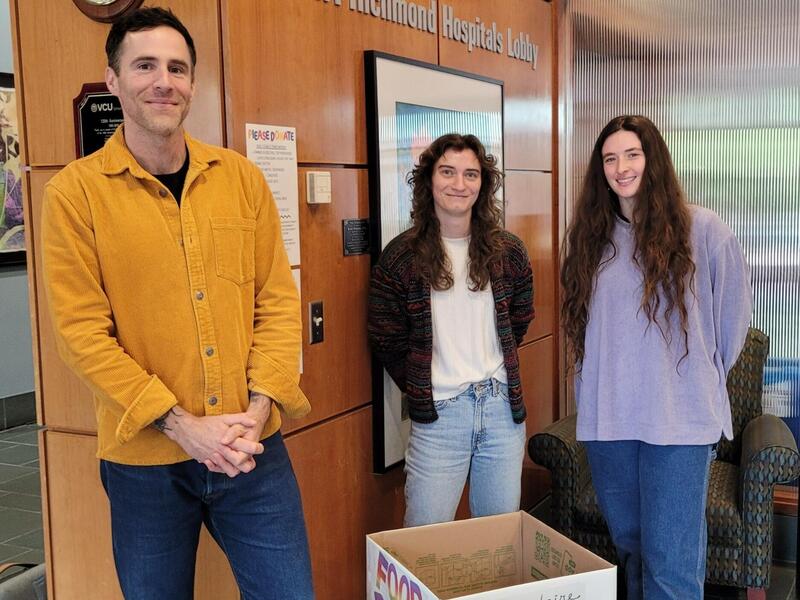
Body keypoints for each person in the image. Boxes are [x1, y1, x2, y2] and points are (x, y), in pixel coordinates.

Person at [40, 8, 314, 599]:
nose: (164, 81)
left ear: (193, 83)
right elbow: (81, 335)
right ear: (113, 81)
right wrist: (184, 426)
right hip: (145, 462)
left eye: (177, 67)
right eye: (145, 65)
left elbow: (276, 301)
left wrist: (259, 407)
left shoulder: (240, 179)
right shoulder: (74, 195)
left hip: (252, 448)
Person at [561, 115, 752, 599]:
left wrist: (691, 381)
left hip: (679, 423)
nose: (620, 167)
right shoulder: (589, 239)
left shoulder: (703, 230)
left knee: (671, 562)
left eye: (631, 154)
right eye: (610, 158)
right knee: (632, 549)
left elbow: (731, 327)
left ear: (654, 160)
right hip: (610, 425)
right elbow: (584, 330)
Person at [368, 133, 534, 527]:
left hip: (501, 411)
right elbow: (386, 339)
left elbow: (521, 319)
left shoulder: (509, 251)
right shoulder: (400, 257)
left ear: (484, 183)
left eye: (470, 174)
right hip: (440, 416)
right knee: (424, 545)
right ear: (428, 180)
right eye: (448, 172)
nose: (459, 184)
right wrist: (426, 388)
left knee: (497, 542)